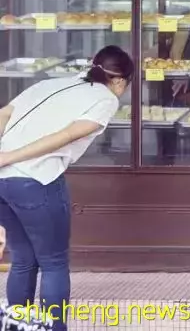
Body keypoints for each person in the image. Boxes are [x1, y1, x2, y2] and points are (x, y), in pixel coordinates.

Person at [0, 45, 133, 331]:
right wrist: (10, 156)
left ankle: (17, 327)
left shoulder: (48, 83)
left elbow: (3, 114)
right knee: (53, 262)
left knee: (22, 258)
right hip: (36, 179)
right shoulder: (106, 97)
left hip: (2, 181)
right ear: (120, 81)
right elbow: (65, 136)